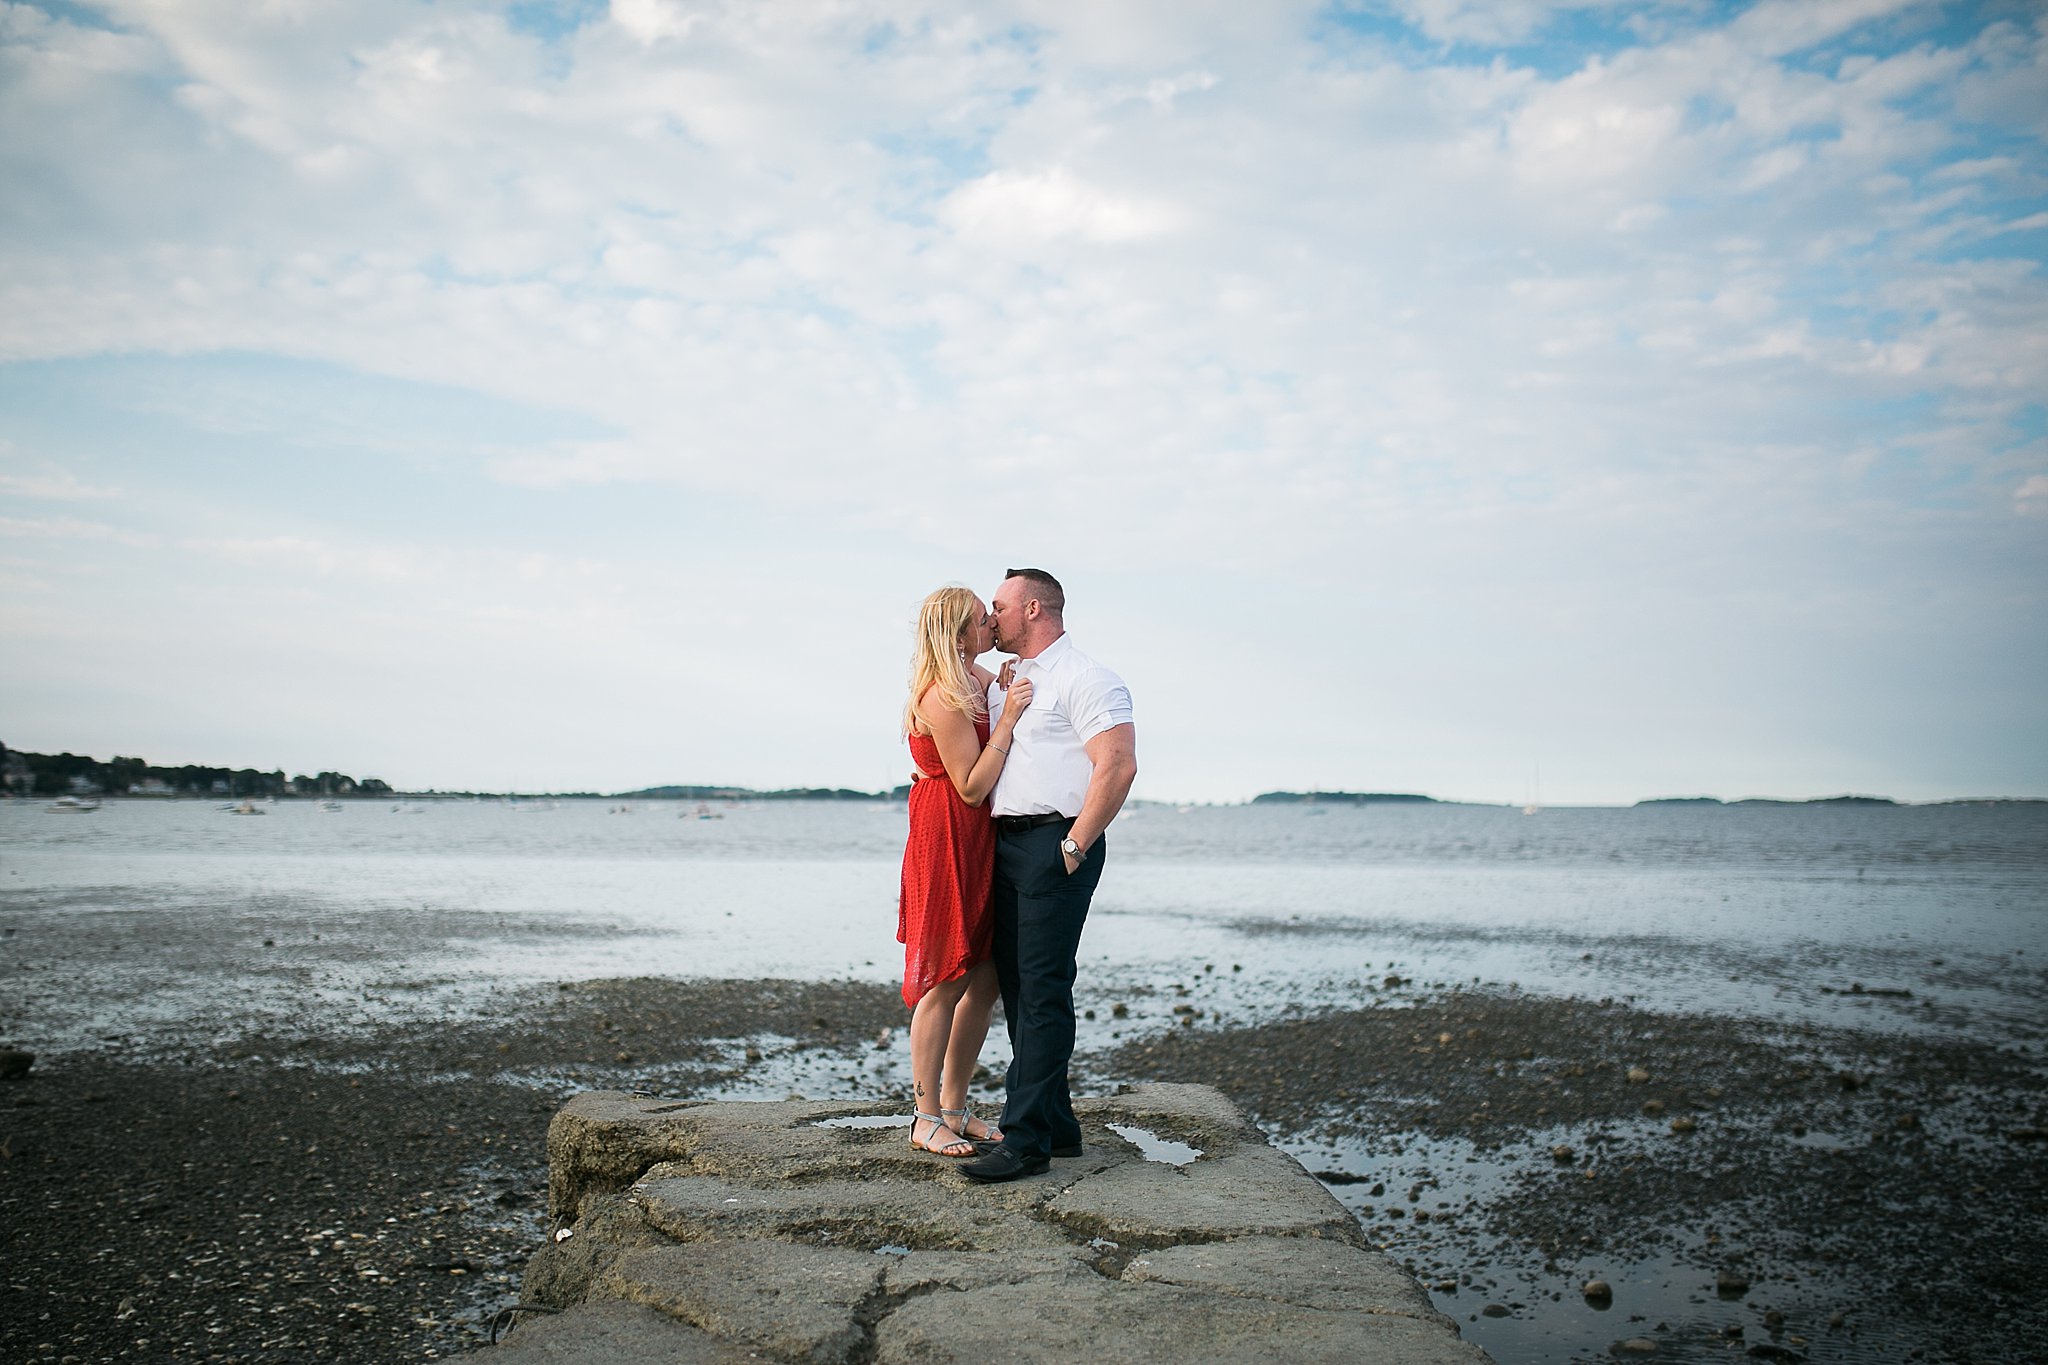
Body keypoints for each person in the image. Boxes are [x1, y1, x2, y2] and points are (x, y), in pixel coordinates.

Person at [961, 568, 1137, 1183]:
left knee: (1041, 990)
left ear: (1033, 609)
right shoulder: (1012, 681)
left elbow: (1116, 764)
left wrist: (1074, 843)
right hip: (1005, 844)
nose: (991, 617)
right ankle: (1058, 1127)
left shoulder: (1086, 678)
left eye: (999, 607)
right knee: (1017, 986)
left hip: (1053, 843)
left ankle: (1026, 1138)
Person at [898, 585, 1034, 1157]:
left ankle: (953, 1106)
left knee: (986, 978)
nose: (993, 625)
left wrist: (1003, 696)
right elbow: (973, 787)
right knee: (946, 977)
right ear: (959, 634)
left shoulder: (979, 681)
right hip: (949, 835)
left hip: (981, 839)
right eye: (984, 619)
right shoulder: (941, 697)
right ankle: (924, 1116)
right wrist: (1008, 722)